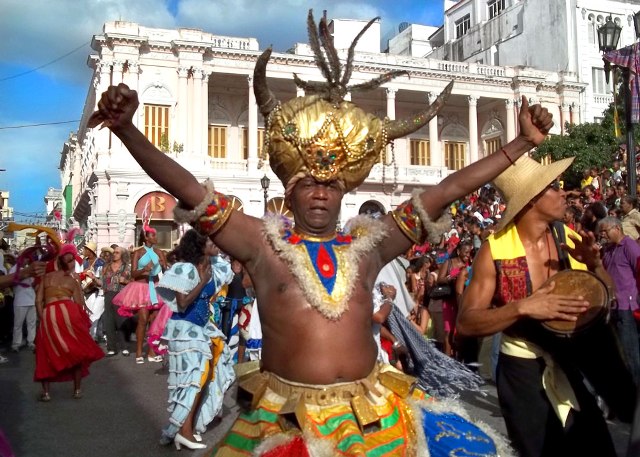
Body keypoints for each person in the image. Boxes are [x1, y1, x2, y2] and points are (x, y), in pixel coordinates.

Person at [91, 10, 554, 456]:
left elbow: (448, 188)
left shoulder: (369, 245)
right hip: (284, 422)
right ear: (289, 193)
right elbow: (186, 187)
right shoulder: (261, 244)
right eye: (308, 183)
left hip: (372, 416)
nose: (320, 194)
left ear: (344, 191)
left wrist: (521, 144)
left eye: (331, 185)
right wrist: (128, 129)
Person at [458, 156, 636, 456]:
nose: (563, 193)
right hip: (522, 369)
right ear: (530, 200)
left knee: (597, 446)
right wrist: (522, 307)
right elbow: (466, 323)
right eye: (552, 187)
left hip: (569, 357)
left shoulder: (566, 236)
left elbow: (606, 293)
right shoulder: (495, 251)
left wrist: (594, 266)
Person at [156, 229, 234, 450]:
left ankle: (183, 428)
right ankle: (184, 431)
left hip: (202, 329)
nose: (216, 244)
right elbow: (182, 303)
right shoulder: (186, 268)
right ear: (201, 245)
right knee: (191, 381)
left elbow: (230, 271)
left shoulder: (213, 267)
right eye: (211, 241)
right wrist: (202, 282)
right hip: (184, 331)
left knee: (204, 378)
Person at [34, 243, 104, 401]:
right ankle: (77, 390)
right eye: (72, 261)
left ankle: (46, 393)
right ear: (69, 263)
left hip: (50, 313)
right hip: (69, 313)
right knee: (76, 350)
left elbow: (38, 301)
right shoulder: (73, 281)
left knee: (45, 352)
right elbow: (79, 306)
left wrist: (42, 317)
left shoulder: (46, 277)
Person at [113, 225, 167, 363]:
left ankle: (151, 352)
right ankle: (138, 352)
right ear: (146, 237)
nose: (156, 238)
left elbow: (166, 270)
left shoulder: (160, 252)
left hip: (155, 288)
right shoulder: (138, 253)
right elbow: (133, 273)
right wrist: (145, 270)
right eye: (153, 235)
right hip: (141, 288)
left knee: (154, 321)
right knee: (143, 319)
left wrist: (162, 264)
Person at [598, 216, 640, 385]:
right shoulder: (608, 250)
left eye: (605, 231)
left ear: (617, 228)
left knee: (630, 352)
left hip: (626, 306)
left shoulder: (629, 246)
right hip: (612, 306)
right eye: (600, 232)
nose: (602, 235)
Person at [98, 245, 131, 356]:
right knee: (109, 321)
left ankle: (124, 346)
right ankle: (111, 347)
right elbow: (103, 283)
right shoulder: (106, 266)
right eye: (114, 252)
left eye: (117, 252)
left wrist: (125, 281)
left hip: (121, 295)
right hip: (108, 295)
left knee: (121, 321)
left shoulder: (126, 267)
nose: (114, 254)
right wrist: (93, 279)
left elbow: (132, 282)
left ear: (122, 254)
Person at [9, 259, 37, 353]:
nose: (26, 260)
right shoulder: (14, 269)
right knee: (18, 324)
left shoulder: (28, 269)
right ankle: (16, 344)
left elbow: (33, 283)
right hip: (20, 300)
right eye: (25, 258)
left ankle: (31, 341)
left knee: (31, 323)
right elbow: (13, 281)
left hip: (31, 299)